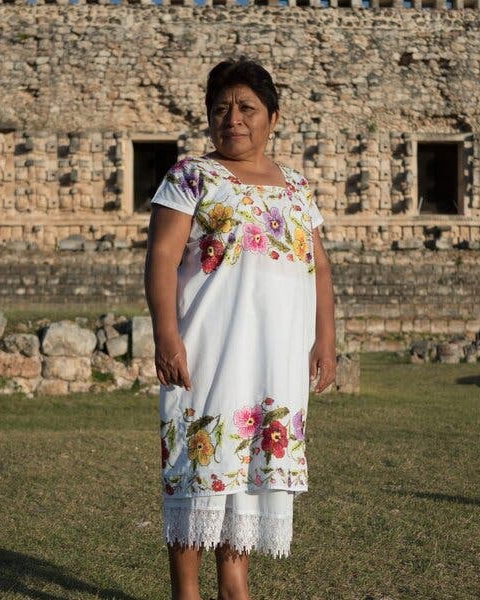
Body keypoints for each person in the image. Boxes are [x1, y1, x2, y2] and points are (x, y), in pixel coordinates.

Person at [144, 58, 337, 600]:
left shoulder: (297, 188)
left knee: (251, 469)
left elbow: (318, 266)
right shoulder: (190, 176)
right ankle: (187, 591)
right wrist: (166, 335)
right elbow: (161, 257)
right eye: (221, 109)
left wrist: (326, 338)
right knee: (195, 464)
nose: (233, 119)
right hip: (206, 352)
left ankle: (235, 581)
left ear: (273, 117)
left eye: (247, 107)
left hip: (275, 358)